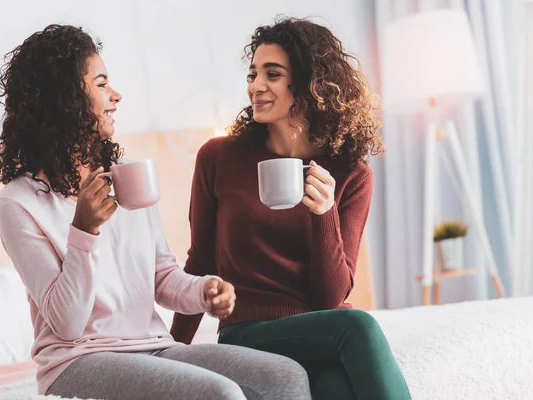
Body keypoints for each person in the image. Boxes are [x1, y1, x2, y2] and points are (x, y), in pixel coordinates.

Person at [0, 24, 311, 400]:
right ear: (64, 99)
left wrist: (203, 290)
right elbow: (66, 325)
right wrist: (84, 230)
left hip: (154, 346)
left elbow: (161, 277)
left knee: (285, 376)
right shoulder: (18, 203)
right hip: (77, 361)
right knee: (219, 393)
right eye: (101, 84)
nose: (116, 95)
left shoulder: (128, 178)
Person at [170, 17, 411, 399]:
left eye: (272, 74)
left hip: (321, 329)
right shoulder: (218, 156)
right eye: (253, 74)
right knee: (359, 326)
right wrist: (171, 354)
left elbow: (329, 299)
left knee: (336, 389)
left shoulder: (351, 174)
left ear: (309, 83)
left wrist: (324, 214)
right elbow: (200, 261)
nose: (255, 86)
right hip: (246, 333)